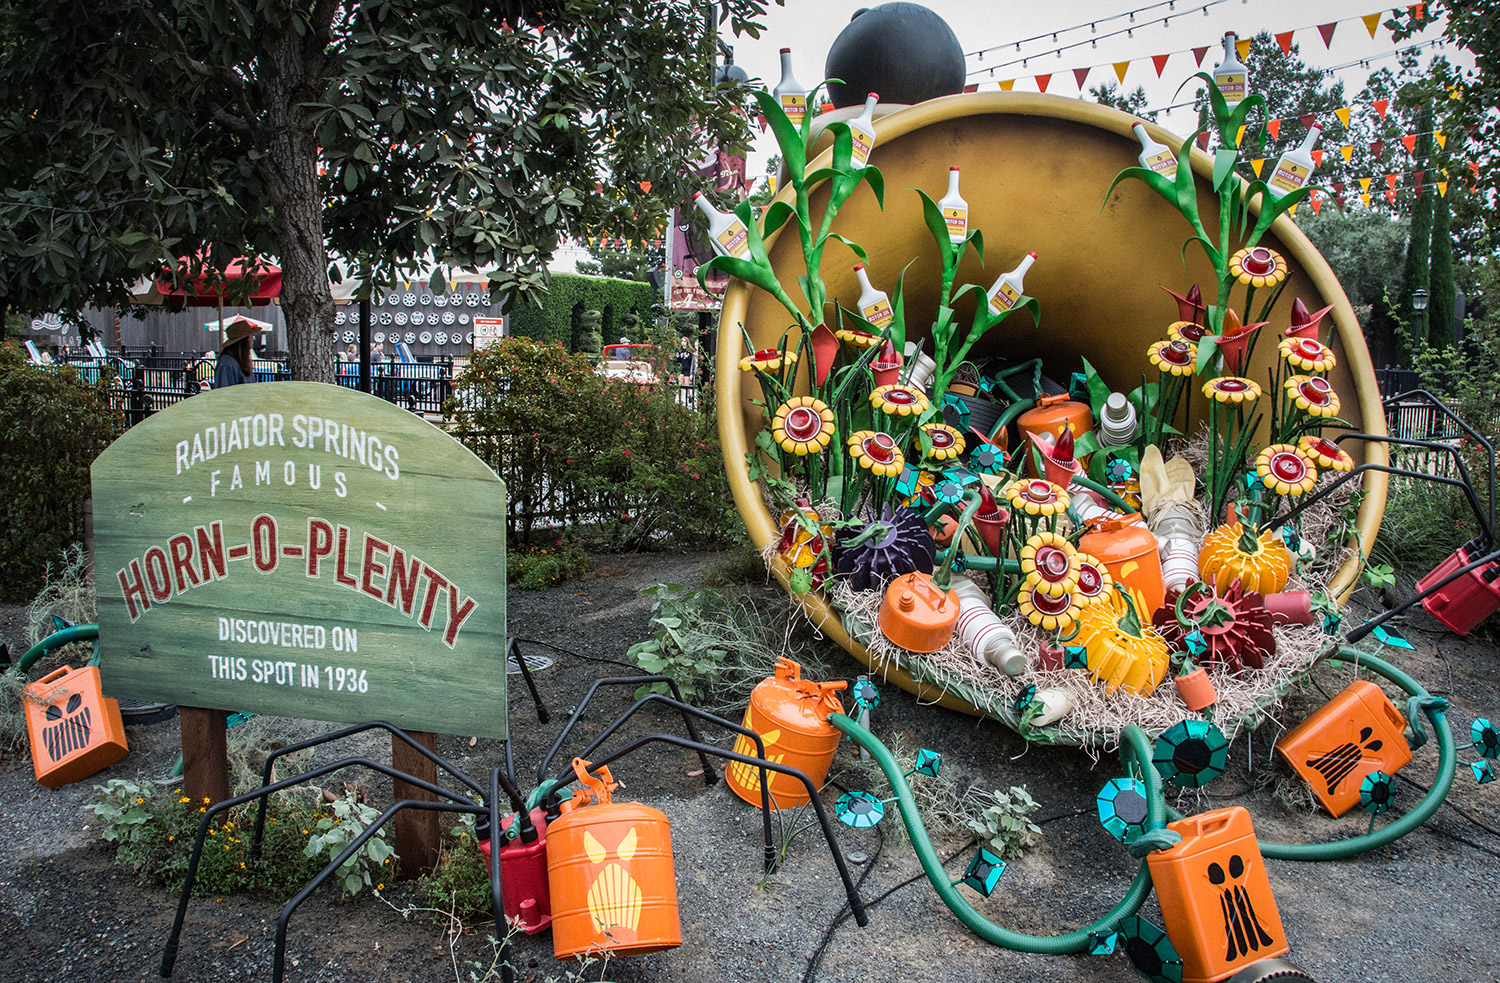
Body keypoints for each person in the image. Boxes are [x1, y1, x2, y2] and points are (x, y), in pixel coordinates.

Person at [212, 319, 266, 389]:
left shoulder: (242, 361)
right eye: (250, 337)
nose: (252, 340)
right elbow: (222, 392)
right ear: (243, 341)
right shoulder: (226, 363)